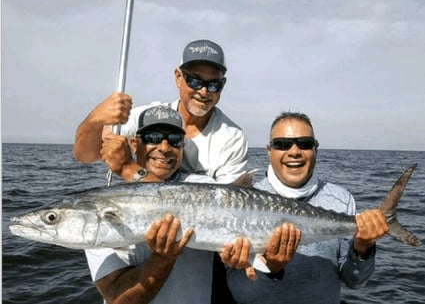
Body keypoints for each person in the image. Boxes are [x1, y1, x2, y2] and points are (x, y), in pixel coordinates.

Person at [224, 111, 389, 304]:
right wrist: (271, 269)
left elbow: (355, 282)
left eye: (304, 143)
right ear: (269, 151)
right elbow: (240, 294)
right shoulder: (233, 203)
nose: (294, 151)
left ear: (315, 149)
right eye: (282, 144)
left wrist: (363, 249)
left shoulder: (341, 199)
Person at [85, 105, 215, 304]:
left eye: (174, 140)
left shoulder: (205, 188)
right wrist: (162, 258)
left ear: (182, 147)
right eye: (153, 137)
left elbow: (173, 197)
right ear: (135, 145)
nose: (164, 148)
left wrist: (130, 168)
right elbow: (118, 299)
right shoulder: (105, 205)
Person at [73, 39, 248, 184]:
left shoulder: (232, 137)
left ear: (222, 85)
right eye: (194, 81)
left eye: (213, 84)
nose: (203, 91)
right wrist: (95, 119)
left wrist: (128, 168)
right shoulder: (146, 118)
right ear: (178, 78)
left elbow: (225, 205)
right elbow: (85, 155)